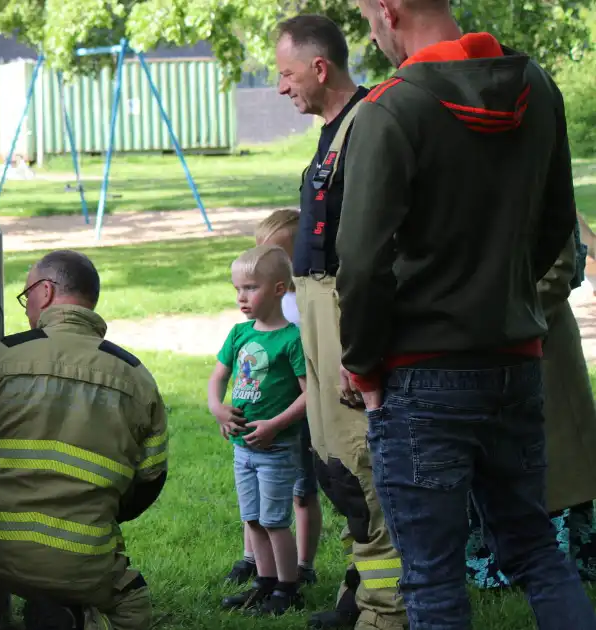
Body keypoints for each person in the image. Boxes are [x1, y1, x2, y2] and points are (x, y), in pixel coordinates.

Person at [338, 1, 596, 628]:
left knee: (430, 578)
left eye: (368, 18)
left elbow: (362, 264)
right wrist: (500, 295)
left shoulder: (389, 108)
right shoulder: (536, 86)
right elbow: (558, 222)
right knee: (536, 549)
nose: (372, 35)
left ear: (388, 9)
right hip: (516, 362)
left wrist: (363, 367)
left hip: (420, 373)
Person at [0, 250, 168, 630]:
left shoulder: (0, 356)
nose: (27, 306)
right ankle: (72, 617)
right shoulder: (137, 377)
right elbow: (149, 481)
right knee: (133, 604)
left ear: (45, 292)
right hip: (80, 560)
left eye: (27, 294)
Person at [274, 14, 406, 630]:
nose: (281, 87)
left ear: (320, 68)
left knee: (361, 467)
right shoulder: (334, 129)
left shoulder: (369, 125)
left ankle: (388, 612)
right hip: (318, 321)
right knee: (333, 466)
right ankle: (362, 592)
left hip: (345, 322)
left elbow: (371, 256)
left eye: (286, 73)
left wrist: (361, 350)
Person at [466, 219, 596, 587]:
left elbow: (559, 266)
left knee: (555, 460)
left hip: (538, 335)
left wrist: (505, 321)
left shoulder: (537, 166)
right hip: (467, 348)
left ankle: (557, 560)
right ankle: (489, 563)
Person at [219, 209, 322, 588]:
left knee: (300, 490)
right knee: (256, 501)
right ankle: (255, 561)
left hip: (298, 413)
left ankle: (302, 565)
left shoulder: (310, 297)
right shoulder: (250, 315)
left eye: (274, 252)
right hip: (256, 421)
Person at [210, 244, 307, 616]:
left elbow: (309, 394)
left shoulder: (291, 339)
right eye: (238, 289)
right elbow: (217, 378)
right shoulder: (239, 333)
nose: (241, 297)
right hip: (243, 448)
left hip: (277, 448)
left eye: (250, 288)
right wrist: (219, 410)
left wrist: (275, 424)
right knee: (251, 519)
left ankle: (287, 588)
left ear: (280, 289)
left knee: (274, 521)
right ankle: (264, 583)